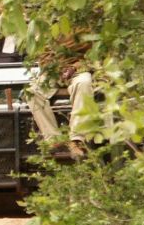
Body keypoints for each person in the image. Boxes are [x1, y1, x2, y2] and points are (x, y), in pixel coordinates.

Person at [27, 29, 95, 158]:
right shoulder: (49, 26)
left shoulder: (87, 25)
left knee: (84, 83)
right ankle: (53, 139)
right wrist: (54, 68)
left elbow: (95, 56)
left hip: (80, 69)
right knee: (32, 92)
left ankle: (77, 140)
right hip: (55, 71)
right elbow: (43, 55)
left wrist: (75, 67)